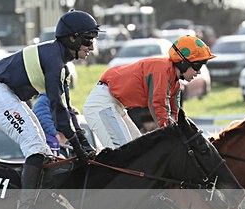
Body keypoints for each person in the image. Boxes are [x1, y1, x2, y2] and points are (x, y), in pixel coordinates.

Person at [0, 9, 100, 209]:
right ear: (72, 38)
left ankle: (37, 203)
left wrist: (82, 142)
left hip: (9, 95)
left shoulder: (59, 63)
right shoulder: (53, 60)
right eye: (88, 40)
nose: (92, 47)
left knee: (43, 149)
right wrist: (77, 145)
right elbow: (56, 109)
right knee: (34, 145)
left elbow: (67, 110)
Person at [83, 34, 216, 148]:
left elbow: (175, 114)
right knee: (124, 155)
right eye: (197, 65)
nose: (198, 71)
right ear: (183, 62)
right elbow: (158, 104)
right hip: (102, 103)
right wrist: (171, 135)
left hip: (116, 105)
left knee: (138, 149)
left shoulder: (174, 83)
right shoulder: (162, 70)